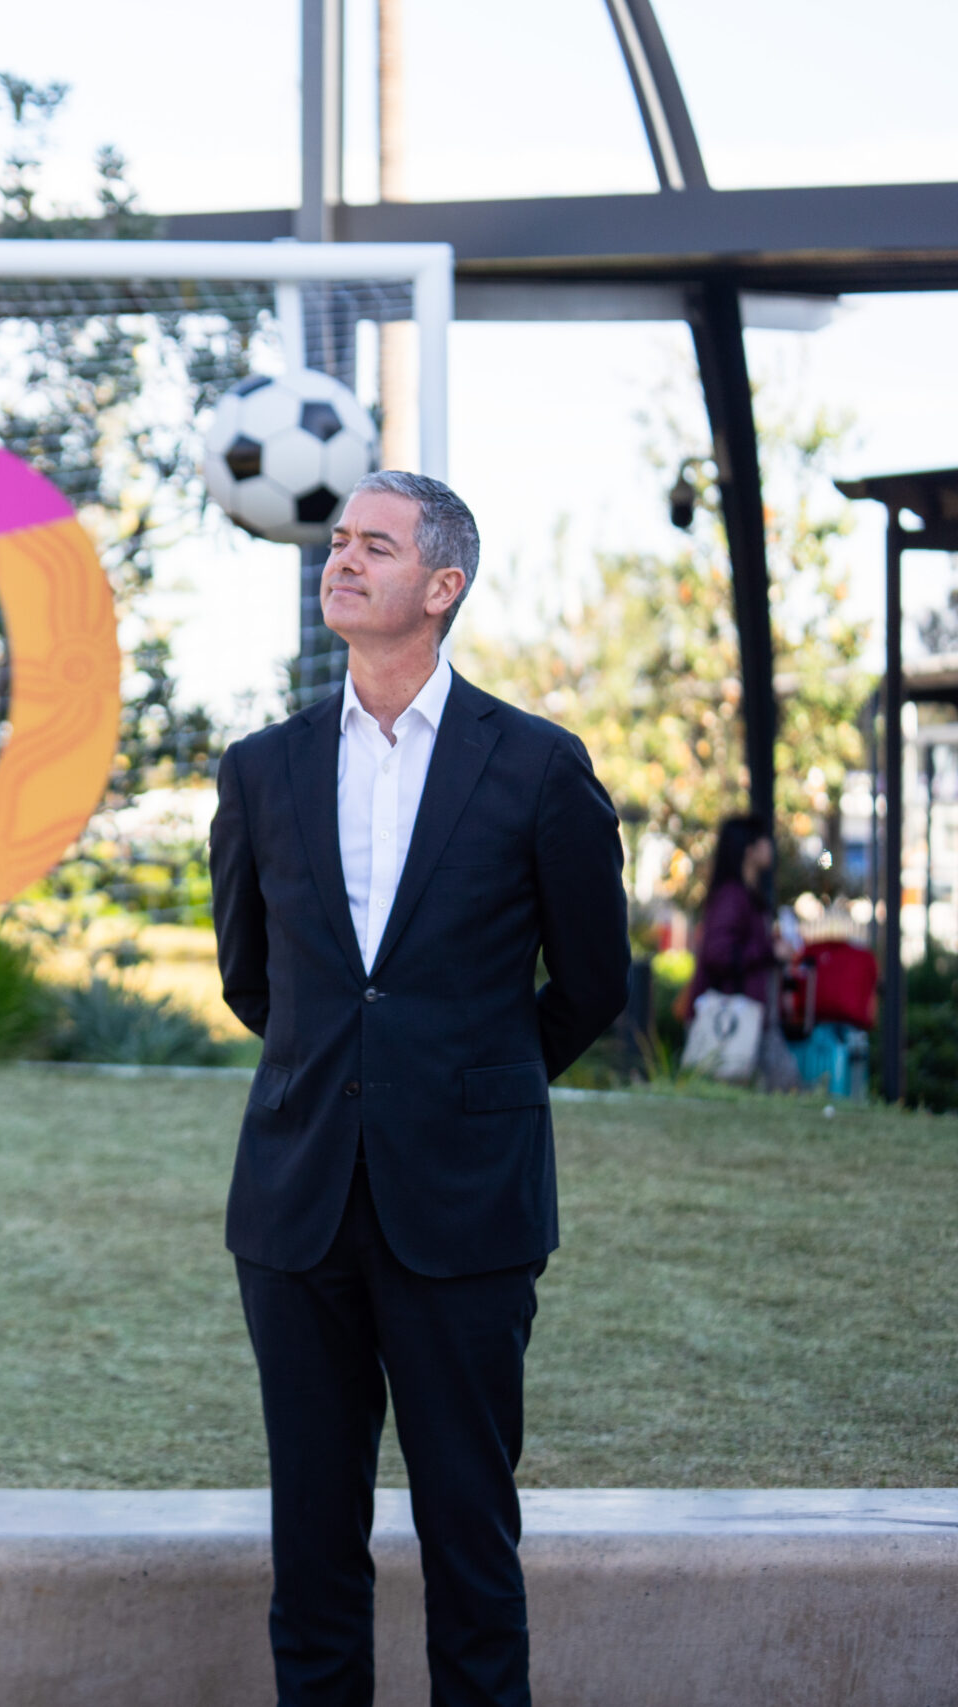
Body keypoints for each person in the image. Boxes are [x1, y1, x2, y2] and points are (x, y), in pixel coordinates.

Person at [208, 470, 630, 1707]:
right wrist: (352, 1083)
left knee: (468, 1539)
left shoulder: (540, 768)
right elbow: (253, 980)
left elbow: (594, 984)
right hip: (296, 1216)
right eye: (337, 541)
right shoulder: (262, 769)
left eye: (374, 546)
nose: (341, 559)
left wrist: (465, 1091)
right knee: (312, 1549)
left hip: (467, 1212)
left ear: (440, 588)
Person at [681, 814, 797, 1088]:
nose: (771, 846)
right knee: (784, 1089)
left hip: (752, 1016)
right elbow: (717, 953)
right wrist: (770, 951)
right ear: (749, 849)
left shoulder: (744, 895)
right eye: (764, 840)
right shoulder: (733, 896)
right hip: (737, 1017)